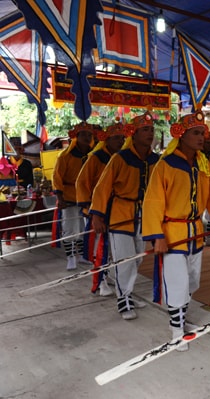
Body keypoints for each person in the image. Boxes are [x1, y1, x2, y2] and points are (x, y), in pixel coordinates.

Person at [142, 110, 210, 351]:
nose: (201, 138)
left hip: (195, 234)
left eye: (202, 133)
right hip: (173, 234)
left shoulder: (202, 163)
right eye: (196, 133)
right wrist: (156, 236)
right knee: (176, 282)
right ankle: (176, 329)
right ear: (182, 135)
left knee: (191, 281)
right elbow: (153, 202)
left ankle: (181, 317)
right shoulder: (165, 165)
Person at [90, 111, 160, 321]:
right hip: (121, 214)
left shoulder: (156, 160)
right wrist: (97, 215)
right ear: (134, 134)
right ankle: (123, 299)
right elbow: (102, 188)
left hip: (144, 215)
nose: (150, 133)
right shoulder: (120, 158)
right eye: (145, 130)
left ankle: (125, 290)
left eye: (151, 130)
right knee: (125, 259)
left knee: (138, 257)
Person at [75, 120, 125, 297]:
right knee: (100, 246)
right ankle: (100, 281)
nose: (121, 141)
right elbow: (82, 182)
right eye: (117, 138)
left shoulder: (122, 158)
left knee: (113, 247)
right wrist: (91, 208)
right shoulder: (96, 157)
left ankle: (106, 274)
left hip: (117, 208)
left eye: (122, 138)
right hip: (98, 208)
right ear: (108, 140)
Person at [53, 122, 96, 270]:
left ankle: (82, 255)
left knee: (84, 228)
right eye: (83, 134)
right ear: (76, 137)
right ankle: (70, 257)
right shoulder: (65, 156)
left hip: (88, 197)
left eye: (89, 134)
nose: (87, 137)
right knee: (70, 228)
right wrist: (60, 198)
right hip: (70, 195)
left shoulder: (93, 155)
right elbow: (57, 178)